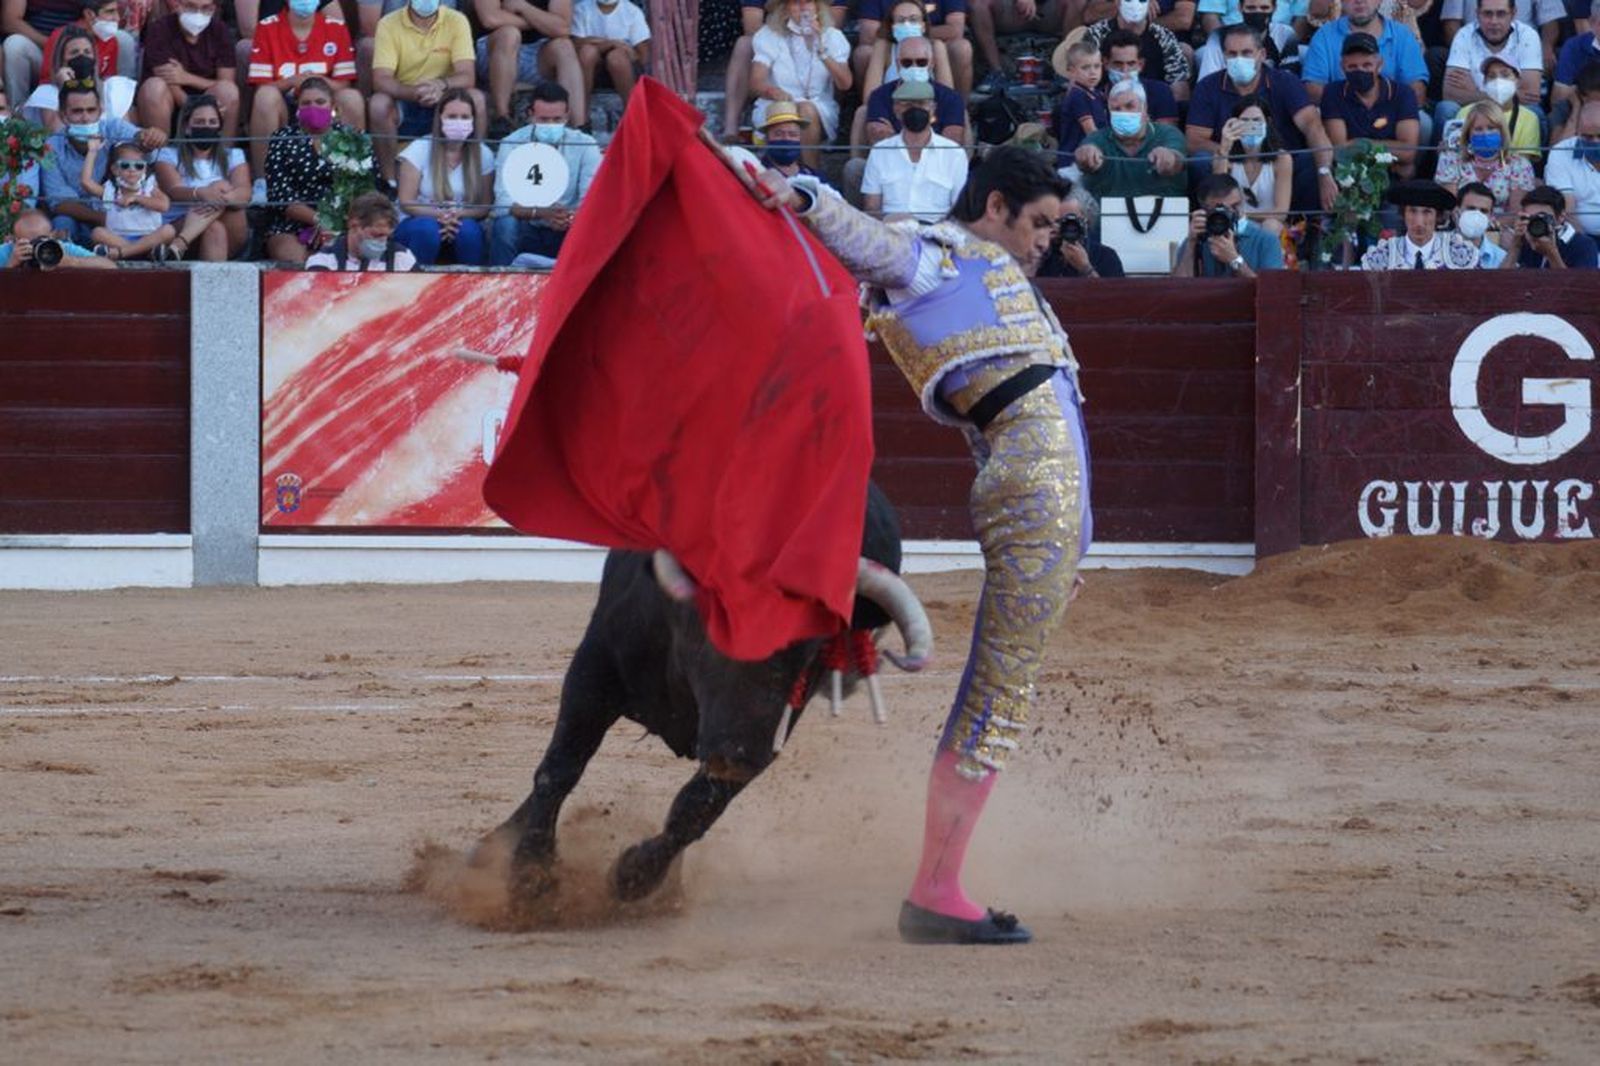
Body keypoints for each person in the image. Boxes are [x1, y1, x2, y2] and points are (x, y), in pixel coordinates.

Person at [752, 145, 1090, 946]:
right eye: (1037, 222)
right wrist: (799, 192)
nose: (1045, 240)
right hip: (1033, 488)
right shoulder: (936, 258)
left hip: (1035, 491)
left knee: (1000, 687)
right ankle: (936, 890)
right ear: (997, 204)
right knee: (998, 694)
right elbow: (868, 239)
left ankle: (939, 882)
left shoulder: (974, 271)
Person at [1187, 24, 1338, 211]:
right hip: (1229, 163)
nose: (1238, 59)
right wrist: (1236, 156)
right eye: (1232, 54)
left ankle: (1306, 228)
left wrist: (1324, 172)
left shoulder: (1285, 82)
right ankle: (1211, 226)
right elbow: (1194, 141)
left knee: (1309, 160)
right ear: (1223, 56)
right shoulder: (1208, 87)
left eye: (1246, 52)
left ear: (1262, 54)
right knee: (1201, 161)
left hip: (1281, 162)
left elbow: (1312, 127)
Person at [261, 75, 375, 262]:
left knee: (346, 252)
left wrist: (336, 224)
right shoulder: (282, 139)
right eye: (306, 103)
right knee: (292, 256)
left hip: (345, 221)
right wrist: (320, 221)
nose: (313, 107)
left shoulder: (354, 138)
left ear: (333, 106)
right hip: (292, 223)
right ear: (297, 108)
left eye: (320, 102)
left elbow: (366, 187)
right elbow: (280, 195)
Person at [245, 0, 364, 177]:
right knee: (265, 96)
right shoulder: (266, 27)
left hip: (324, 104)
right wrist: (293, 81)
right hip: (284, 104)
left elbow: (343, 83)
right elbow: (262, 85)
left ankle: (351, 176)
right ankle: (264, 180)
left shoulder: (337, 27)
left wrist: (315, 81)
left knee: (351, 97)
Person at [40, 78, 166, 244]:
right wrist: (104, 218)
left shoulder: (112, 128)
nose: (85, 118)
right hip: (80, 215)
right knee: (62, 223)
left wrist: (152, 137)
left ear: (100, 111)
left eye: (91, 110)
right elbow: (59, 203)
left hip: (116, 212)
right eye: (77, 111)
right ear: (63, 116)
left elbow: (140, 140)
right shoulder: (51, 146)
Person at [489, 82, 600, 265]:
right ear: (530, 115)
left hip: (567, 225)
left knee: (591, 225)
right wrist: (542, 213)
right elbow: (502, 203)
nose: (550, 125)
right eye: (543, 119)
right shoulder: (512, 143)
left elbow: (589, 200)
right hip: (527, 226)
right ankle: (499, 283)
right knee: (505, 225)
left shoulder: (585, 144)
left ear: (567, 116)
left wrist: (568, 218)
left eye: (557, 119)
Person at [372, 0, 479, 182]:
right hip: (405, 97)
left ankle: (473, 175)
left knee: (477, 99)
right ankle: (389, 181)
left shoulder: (457, 20)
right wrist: (415, 92)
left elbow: (467, 76)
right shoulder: (388, 23)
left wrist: (440, 85)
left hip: (445, 96)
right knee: (378, 104)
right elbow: (381, 79)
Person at [394, 87, 493, 264]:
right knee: (427, 229)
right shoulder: (419, 148)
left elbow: (484, 207)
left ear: (473, 120)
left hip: (461, 221)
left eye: (465, 117)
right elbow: (406, 202)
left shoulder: (483, 154)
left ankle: (470, 287)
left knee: (469, 231)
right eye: (452, 117)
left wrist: (456, 215)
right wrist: (440, 216)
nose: (458, 122)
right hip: (417, 221)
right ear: (440, 118)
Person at [750, 0, 851, 169]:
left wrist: (821, 48)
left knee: (806, 109)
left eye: (809, 2)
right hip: (777, 104)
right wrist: (773, 92)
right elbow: (755, 82)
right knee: (790, 112)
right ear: (785, 9)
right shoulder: (768, 35)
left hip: (819, 107)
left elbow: (845, 83)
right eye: (796, 2)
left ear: (818, 7)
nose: (803, 7)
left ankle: (811, 172)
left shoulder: (833, 36)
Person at [153, 91, 251, 260]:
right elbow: (174, 190)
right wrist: (202, 193)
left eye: (212, 122)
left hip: (227, 233)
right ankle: (181, 243)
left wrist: (218, 197)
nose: (206, 126)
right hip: (177, 224)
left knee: (224, 197)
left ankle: (179, 245)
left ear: (219, 127)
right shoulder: (168, 154)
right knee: (216, 225)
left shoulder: (233, 155)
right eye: (199, 122)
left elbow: (245, 193)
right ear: (187, 127)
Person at [861, 79, 968, 221]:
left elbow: (958, 211)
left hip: (937, 235)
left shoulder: (954, 154)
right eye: (908, 105)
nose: (915, 109)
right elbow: (872, 208)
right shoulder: (880, 151)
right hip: (891, 232)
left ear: (932, 108)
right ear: (896, 110)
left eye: (921, 104)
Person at [474, 0, 583, 139]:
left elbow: (562, 28)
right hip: (494, 51)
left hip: (538, 53)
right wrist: (541, 22)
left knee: (564, 46)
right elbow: (490, 18)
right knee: (510, 34)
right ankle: (502, 118)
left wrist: (522, 7)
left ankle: (579, 128)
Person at [1319, 31, 1420, 179]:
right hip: (1352, 172)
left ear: (1379, 65)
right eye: (1352, 67)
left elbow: (1408, 152)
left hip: (1389, 171)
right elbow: (1340, 151)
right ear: (1342, 67)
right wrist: (1387, 152)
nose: (1360, 71)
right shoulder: (1333, 92)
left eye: (1367, 65)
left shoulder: (1402, 93)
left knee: (1407, 169)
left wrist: (1360, 143)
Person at [1299, 0, 1428, 111]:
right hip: (1339, 118)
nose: (1359, 0)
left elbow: (1416, 93)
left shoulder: (1403, 35)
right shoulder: (1324, 35)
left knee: (1423, 124)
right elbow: (1313, 91)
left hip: (1393, 118)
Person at [137, 0, 240, 139]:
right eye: (191, 7)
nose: (198, 14)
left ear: (213, 8)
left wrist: (187, 78)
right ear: (178, 5)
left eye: (205, 8)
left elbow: (226, 81)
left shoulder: (220, 30)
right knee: (154, 87)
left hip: (211, 103)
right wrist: (194, 109)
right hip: (169, 101)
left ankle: (224, 155)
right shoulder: (159, 29)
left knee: (228, 91)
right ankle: (160, 154)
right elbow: (168, 80)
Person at [1437, 0, 1543, 132]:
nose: (1494, 21)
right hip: (1474, 111)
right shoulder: (1464, 35)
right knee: (1446, 108)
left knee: (1534, 113)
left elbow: (1529, 97)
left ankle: (1524, 153)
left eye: (1501, 14)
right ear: (1477, 14)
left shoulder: (1528, 35)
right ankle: (1450, 153)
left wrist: (1475, 91)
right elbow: (1450, 94)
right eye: (1487, 14)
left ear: (1513, 14)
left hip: (1512, 110)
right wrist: (1508, 95)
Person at [1074, 77, 1187, 198]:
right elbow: (1085, 157)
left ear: (1145, 108)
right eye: (1116, 109)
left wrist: (1169, 158)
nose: (1123, 112)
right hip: (1109, 215)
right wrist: (1086, 156)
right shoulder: (1097, 138)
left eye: (1130, 106)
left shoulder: (1168, 134)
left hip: (1164, 213)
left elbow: (1177, 160)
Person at [861, 34, 967, 147]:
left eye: (921, 62)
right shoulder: (880, 95)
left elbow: (951, 143)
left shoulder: (950, 97)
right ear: (897, 64)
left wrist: (896, 136)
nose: (914, 67)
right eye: (907, 62)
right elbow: (878, 137)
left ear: (932, 63)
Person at [82, 137, 177, 258]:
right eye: (125, 165)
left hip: (148, 237)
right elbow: (86, 183)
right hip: (119, 238)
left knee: (169, 231)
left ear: (144, 169)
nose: (132, 170)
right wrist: (92, 151)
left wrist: (137, 198)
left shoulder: (149, 187)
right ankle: (141, 253)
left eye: (138, 166)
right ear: (115, 170)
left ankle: (123, 253)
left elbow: (164, 205)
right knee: (97, 233)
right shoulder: (112, 190)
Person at [1173, 173, 1284, 275]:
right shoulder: (1198, 240)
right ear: (1204, 211)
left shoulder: (1266, 240)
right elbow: (1178, 289)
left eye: (1235, 206)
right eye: (1219, 210)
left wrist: (1234, 260)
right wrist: (1191, 244)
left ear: (1241, 201)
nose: (1230, 214)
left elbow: (1269, 292)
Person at [1435, 99, 1535, 212]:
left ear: (1502, 132)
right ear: (1468, 134)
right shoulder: (1451, 159)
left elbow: (1516, 213)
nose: (1485, 134)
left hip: (1501, 228)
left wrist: (1488, 224)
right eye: (1478, 129)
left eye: (1491, 128)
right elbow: (1449, 208)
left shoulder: (1520, 165)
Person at [1212, 94, 1292, 233]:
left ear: (1268, 122)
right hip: (1235, 224)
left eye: (1256, 120)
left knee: (1271, 225)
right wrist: (1224, 149)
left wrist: (1246, 216)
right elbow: (1218, 197)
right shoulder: (1225, 156)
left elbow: (1281, 212)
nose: (1251, 125)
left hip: (1269, 227)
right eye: (1245, 121)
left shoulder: (1281, 158)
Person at [1084, 0, 1192, 102]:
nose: (1134, 3)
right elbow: (1081, 81)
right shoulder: (1097, 34)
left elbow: (1179, 88)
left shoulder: (1163, 37)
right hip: (1103, 106)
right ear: (1117, 2)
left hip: (1153, 109)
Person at [1359, 180, 1481, 267]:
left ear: (1437, 216)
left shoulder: (1460, 254)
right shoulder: (1382, 256)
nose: (1419, 221)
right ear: (1403, 214)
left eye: (1427, 212)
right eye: (1412, 211)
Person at [969, 0, 1069, 94]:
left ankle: (1065, 70)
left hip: (1050, 10)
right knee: (978, 4)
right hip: (1011, 11)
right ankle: (996, 72)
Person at [306, 188, 420, 269]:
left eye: (387, 236)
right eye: (376, 235)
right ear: (354, 226)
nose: (383, 242)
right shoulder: (324, 261)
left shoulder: (402, 258)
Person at [1035, 181, 1126, 275]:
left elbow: (1111, 290)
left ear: (1086, 221)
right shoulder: (1038, 253)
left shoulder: (1106, 257)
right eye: (1056, 221)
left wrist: (1085, 268)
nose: (1063, 227)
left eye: (1070, 222)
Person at [1195, 0, 1302, 80]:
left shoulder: (1285, 34)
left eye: (1264, 8)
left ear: (1274, 8)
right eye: (1251, 8)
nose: (1258, 13)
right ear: (1240, 7)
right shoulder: (1218, 36)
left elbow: (1289, 80)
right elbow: (1207, 82)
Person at [572, 0, 650, 107]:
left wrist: (622, 50)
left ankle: (634, 113)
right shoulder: (581, 9)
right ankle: (581, 116)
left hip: (624, 70)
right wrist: (610, 44)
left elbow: (642, 57)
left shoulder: (632, 12)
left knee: (616, 57)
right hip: (590, 69)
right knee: (587, 52)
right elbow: (576, 44)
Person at [1500, 182, 1600, 266]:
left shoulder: (1583, 245)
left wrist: (1551, 253)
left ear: (1561, 217)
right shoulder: (1525, 240)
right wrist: (1516, 244)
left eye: (1542, 217)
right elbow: (1500, 283)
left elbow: (1576, 287)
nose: (1536, 222)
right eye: (1530, 217)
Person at [39, 1, 138, 83]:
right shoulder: (60, 37)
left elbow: (108, 79)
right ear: (89, 14)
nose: (117, 18)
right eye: (110, 12)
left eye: (117, 12)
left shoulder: (109, 39)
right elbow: (46, 81)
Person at [1099, 28, 1179, 126]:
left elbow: (1167, 135)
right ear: (1106, 63)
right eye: (1118, 64)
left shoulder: (1160, 91)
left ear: (1140, 65)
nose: (1125, 70)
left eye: (1131, 64)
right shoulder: (1096, 97)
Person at [1051, 38, 1106, 168]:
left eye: (1097, 66)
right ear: (1071, 71)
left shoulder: (1096, 93)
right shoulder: (1078, 96)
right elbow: (1091, 132)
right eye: (1085, 67)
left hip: (1091, 159)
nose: (1093, 72)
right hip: (1074, 163)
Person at [1546, 101, 1600, 233]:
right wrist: (1588, 248)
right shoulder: (1561, 153)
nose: (1595, 142)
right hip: (1579, 235)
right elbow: (1567, 212)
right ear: (1577, 131)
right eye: (1587, 137)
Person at [1, 205, 116, 267]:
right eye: (28, 242)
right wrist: (11, 265)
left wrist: (72, 262)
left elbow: (110, 266)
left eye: (41, 240)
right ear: (13, 240)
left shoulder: (60, 249)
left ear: (53, 235)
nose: (35, 247)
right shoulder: (7, 252)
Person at [1455, 179, 1507, 266]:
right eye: (1471, 208)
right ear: (1457, 211)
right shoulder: (1436, 252)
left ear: (1490, 217)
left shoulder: (1501, 259)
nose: (1477, 215)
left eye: (1483, 211)